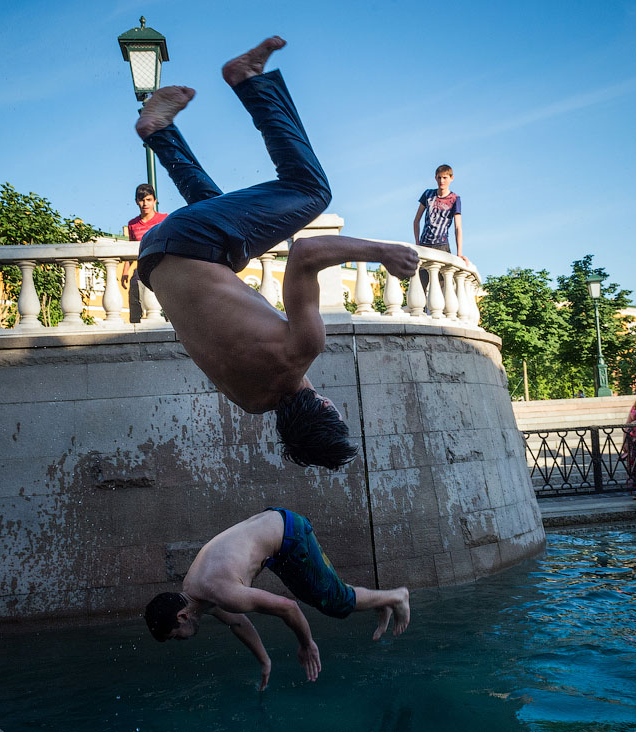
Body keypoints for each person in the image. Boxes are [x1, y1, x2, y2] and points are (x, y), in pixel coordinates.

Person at [132, 37, 419, 469]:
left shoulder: (300, 349)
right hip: (157, 257)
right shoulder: (249, 401)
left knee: (312, 190)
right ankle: (160, 133)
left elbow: (306, 252)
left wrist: (383, 251)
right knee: (223, 221)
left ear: (326, 407)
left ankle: (248, 80)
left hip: (193, 241)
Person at [144, 507, 411, 689]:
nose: (180, 641)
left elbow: (288, 608)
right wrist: (264, 661)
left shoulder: (221, 592)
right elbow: (237, 623)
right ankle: (381, 602)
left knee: (333, 602)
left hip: (290, 537)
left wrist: (306, 644)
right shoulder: (194, 589)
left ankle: (397, 597)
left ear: (182, 616)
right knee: (322, 591)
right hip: (276, 528)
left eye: (175, 636)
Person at [121, 184, 168, 323]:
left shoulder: (164, 219)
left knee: (166, 302)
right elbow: (131, 250)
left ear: (154, 201)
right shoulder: (133, 224)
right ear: (136, 201)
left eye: (148, 199)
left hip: (162, 267)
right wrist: (125, 271)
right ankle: (135, 329)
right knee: (135, 297)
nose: (145, 203)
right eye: (142, 200)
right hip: (141, 268)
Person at [412, 164, 465, 263]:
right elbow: (416, 220)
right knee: (423, 276)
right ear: (435, 178)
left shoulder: (455, 199)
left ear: (451, 178)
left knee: (442, 277)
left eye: (445, 178)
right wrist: (417, 243)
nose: (442, 181)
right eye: (439, 177)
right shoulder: (428, 194)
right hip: (425, 244)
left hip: (442, 245)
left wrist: (459, 253)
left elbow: (458, 227)